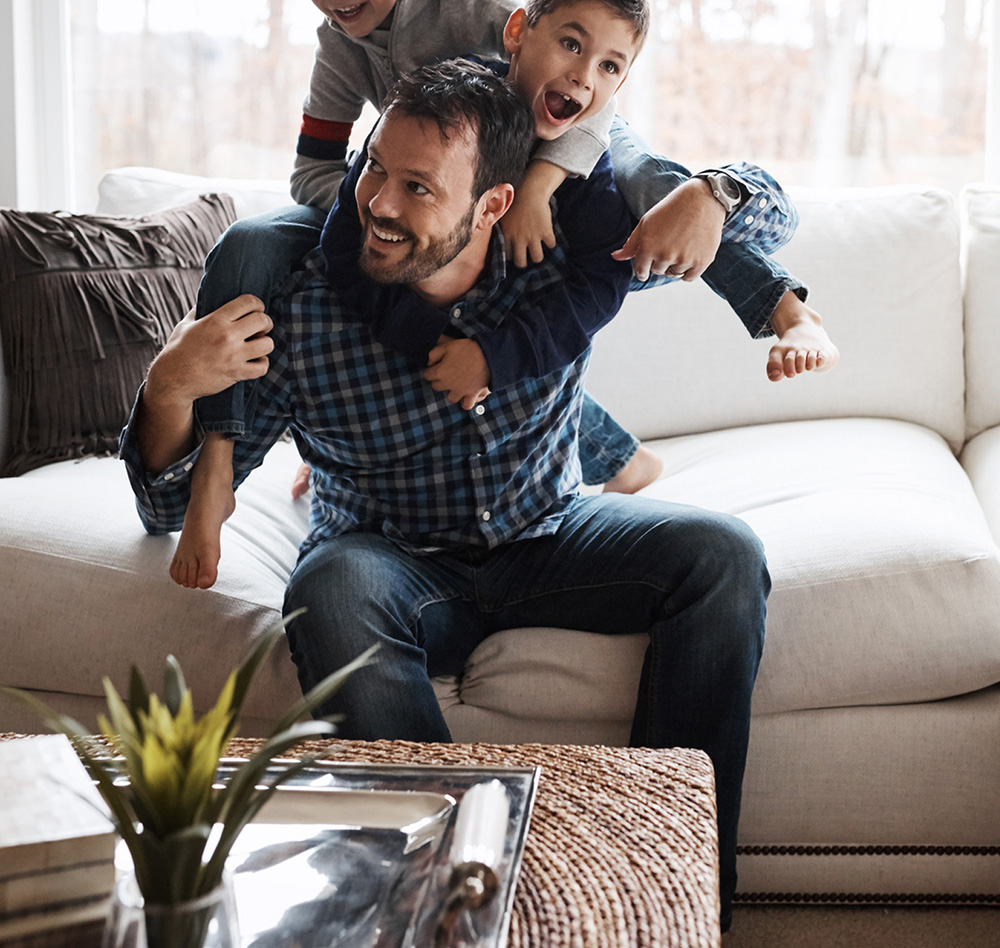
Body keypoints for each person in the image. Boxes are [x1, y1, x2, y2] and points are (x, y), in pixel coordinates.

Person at [120, 61, 771, 932]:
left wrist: (716, 192)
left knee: (724, 555)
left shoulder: (559, 256)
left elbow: (772, 226)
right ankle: (451, 905)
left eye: (418, 187)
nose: (380, 204)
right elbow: (169, 511)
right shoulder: (306, 303)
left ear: (495, 203)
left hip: (552, 531)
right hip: (389, 559)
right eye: (374, 170)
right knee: (331, 589)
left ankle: (666, 881)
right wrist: (168, 388)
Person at [173, 0, 832, 590]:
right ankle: (221, 458)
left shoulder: (479, 10)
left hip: (560, 150)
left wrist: (543, 186)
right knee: (253, 242)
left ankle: (784, 311)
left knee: (656, 194)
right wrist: (386, 205)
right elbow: (312, 170)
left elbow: (574, 90)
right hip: (437, 202)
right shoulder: (340, 46)